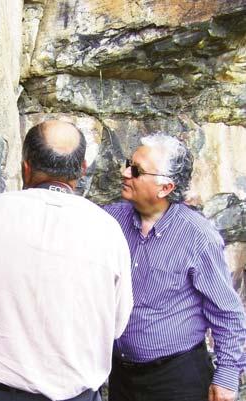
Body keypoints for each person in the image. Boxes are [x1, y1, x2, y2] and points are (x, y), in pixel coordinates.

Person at [0, 120, 133, 401]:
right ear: (82, 169)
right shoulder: (107, 230)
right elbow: (117, 323)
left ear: (26, 166)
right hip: (72, 395)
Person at [104, 134, 246, 401]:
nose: (124, 173)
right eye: (127, 163)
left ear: (165, 188)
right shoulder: (110, 221)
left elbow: (227, 312)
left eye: (135, 170)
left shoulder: (198, 236)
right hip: (121, 376)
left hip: (177, 379)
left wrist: (227, 375)